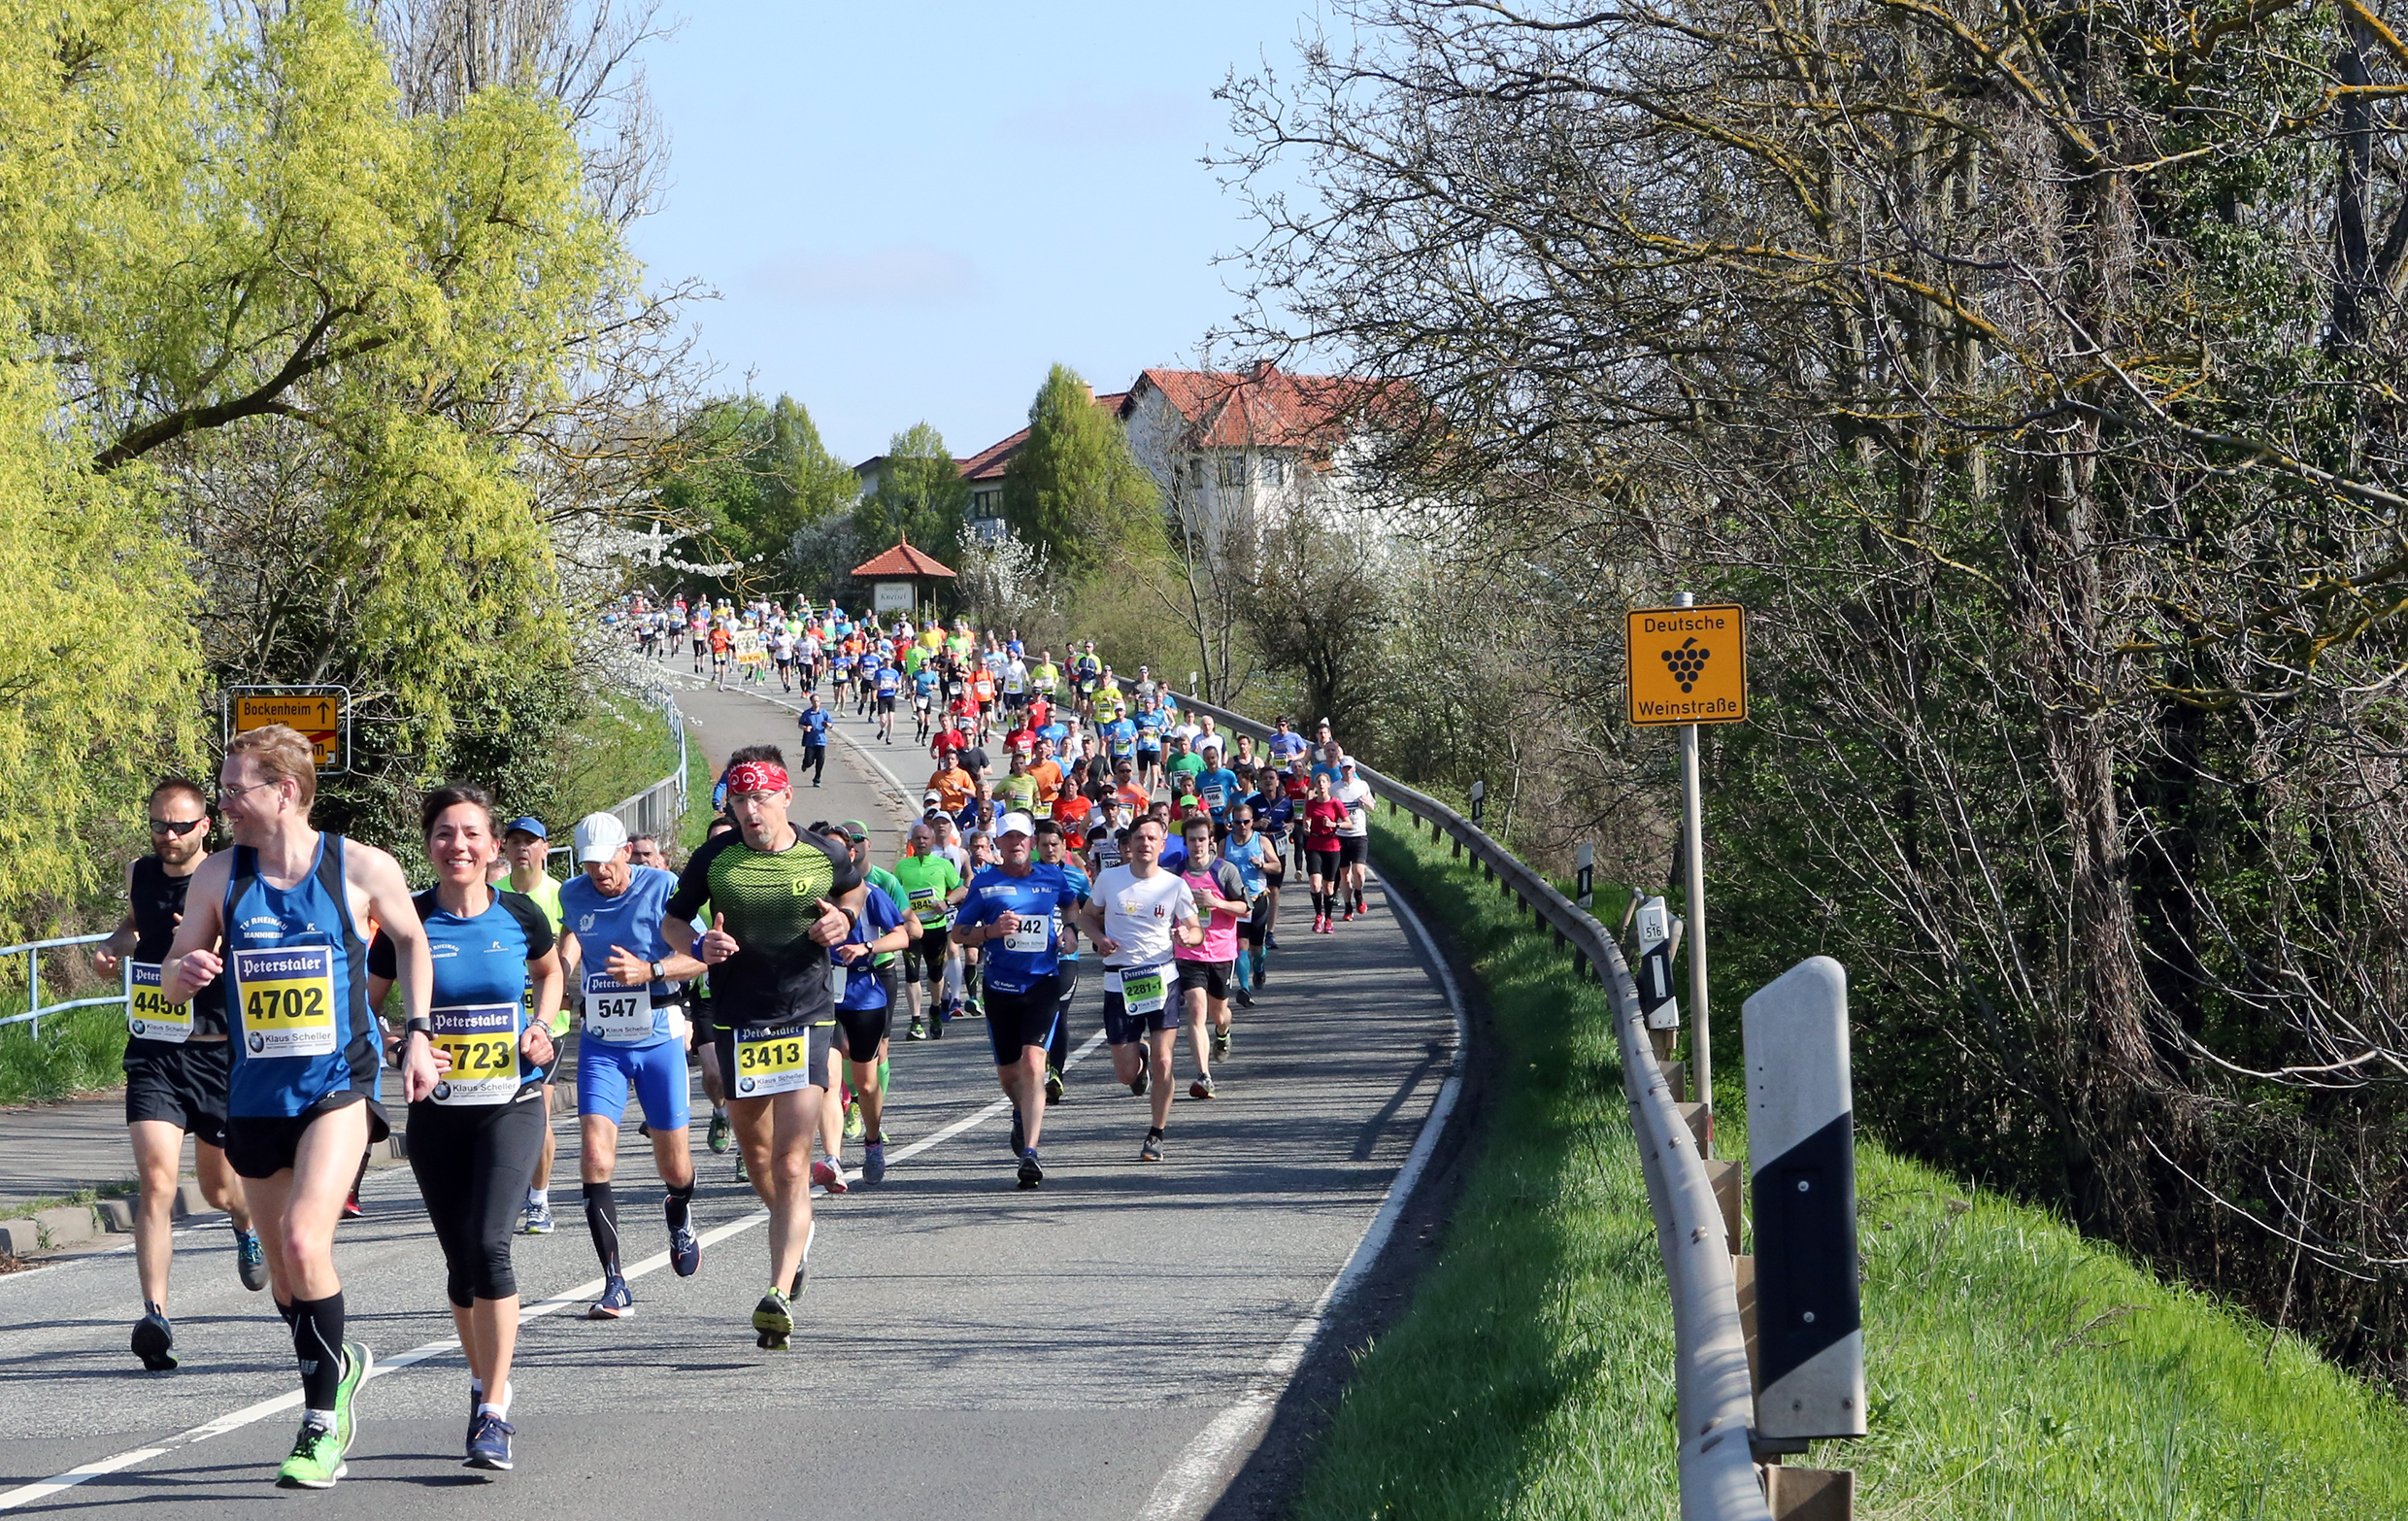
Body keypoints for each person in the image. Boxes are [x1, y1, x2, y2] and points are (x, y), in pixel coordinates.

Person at [159, 725, 429, 1489]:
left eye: (235, 790)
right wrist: (188, 971)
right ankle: (338, 1363)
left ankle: (320, 1423)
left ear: (285, 790)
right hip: (254, 1094)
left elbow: (410, 941)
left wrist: (417, 1033)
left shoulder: (360, 866)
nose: (225, 804)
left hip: (336, 1085)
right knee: (285, 1274)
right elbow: (177, 964)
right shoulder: (220, 876)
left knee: (309, 1242)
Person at [366, 784, 562, 1472]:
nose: (460, 846)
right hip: (437, 1114)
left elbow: (550, 973)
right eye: (445, 834)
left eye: (472, 834)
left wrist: (542, 1027)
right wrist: (399, 1046)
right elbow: (369, 1006)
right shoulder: (407, 923)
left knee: (490, 1246)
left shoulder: (520, 917)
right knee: (460, 1264)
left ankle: (495, 1410)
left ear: (494, 845)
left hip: (512, 1102)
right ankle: (482, 1382)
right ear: (429, 844)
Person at [660, 748, 865, 1349]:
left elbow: (851, 896)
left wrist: (842, 923)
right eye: (740, 801)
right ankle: (795, 1236)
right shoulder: (715, 859)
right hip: (738, 1020)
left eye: (761, 799)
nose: (751, 812)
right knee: (757, 1157)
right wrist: (701, 944)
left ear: (786, 798)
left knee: (792, 1161)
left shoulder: (823, 852)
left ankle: (777, 1291)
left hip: (805, 1015)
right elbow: (675, 922)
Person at [94, 777, 266, 1373]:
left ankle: (244, 1222)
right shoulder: (143, 872)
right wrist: (115, 946)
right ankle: (155, 1316)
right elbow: (138, 923)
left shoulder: (227, 878)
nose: (168, 837)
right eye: (159, 825)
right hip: (155, 1052)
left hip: (217, 1054)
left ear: (204, 827)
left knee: (219, 1190)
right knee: (158, 1183)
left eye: (180, 826)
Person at [557, 813, 703, 1321]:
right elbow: (569, 944)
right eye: (590, 864)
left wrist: (651, 970)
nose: (600, 873)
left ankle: (679, 1209)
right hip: (602, 1042)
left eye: (607, 862)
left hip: (658, 1033)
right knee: (596, 1157)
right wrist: (553, 980)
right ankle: (615, 1283)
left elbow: (705, 955)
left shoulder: (663, 886)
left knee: (674, 1166)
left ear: (626, 851)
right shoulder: (573, 895)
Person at [950, 813, 1084, 1188]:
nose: (1017, 844)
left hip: (1043, 982)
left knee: (1033, 1061)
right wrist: (991, 931)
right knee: (1010, 1073)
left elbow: (1071, 906)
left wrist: (1070, 932)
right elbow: (960, 933)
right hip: (1001, 989)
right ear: (999, 844)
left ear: (1032, 841)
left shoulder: (1052, 876)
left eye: (1022, 838)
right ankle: (1021, 1111)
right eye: (1008, 838)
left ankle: (1031, 1152)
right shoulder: (986, 884)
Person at [1071, 819, 1202, 1162]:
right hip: (1120, 981)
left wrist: (1188, 937)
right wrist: (1099, 940)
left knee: (1165, 1060)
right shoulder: (1110, 879)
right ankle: (1138, 1058)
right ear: (1130, 843)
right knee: (1125, 1073)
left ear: (1162, 845)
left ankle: (1156, 1134)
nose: (1146, 843)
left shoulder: (1175, 885)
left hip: (1162, 980)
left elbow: (1195, 929)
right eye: (1140, 837)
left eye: (1153, 838)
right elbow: (1086, 917)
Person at [821, 825, 911, 1186]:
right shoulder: (808, 897)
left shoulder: (869, 894)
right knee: (828, 1081)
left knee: (867, 1082)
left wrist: (867, 948)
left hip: (863, 994)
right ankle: (832, 1158)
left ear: (850, 855)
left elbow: (903, 934)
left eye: (837, 851)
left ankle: (873, 1141)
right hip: (821, 997)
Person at [500, 818, 568, 1234]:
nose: (522, 848)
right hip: (496, 1023)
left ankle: (539, 1200)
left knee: (537, 1113)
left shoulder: (559, 894)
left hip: (547, 1023)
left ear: (545, 848)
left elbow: (572, 941)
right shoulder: (491, 894)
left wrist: (565, 967)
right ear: (504, 849)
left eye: (531, 842)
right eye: (515, 842)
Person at [1173, 817, 1252, 1088]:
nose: (1197, 845)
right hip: (1188, 952)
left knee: (1218, 1013)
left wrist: (1216, 902)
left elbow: (1245, 908)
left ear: (1210, 841)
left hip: (1220, 952)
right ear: (1185, 842)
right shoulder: (1175, 873)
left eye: (1202, 839)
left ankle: (1223, 1031)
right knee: (1196, 1010)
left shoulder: (1224, 870)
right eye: (1192, 840)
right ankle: (1204, 1076)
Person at [891, 821, 964, 1040]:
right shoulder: (903, 866)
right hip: (912, 930)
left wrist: (947, 903)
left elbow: (961, 888)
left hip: (936, 927)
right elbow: (895, 894)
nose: (921, 841)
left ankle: (934, 1008)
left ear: (932, 841)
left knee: (935, 974)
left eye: (925, 838)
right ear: (912, 842)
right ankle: (915, 1022)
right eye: (917, 838)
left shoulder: (942, 865)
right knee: (912, 975)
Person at [1221, 806, 1280, 1000]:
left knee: (1257, 948)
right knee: (1241, 945)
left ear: (1252, 821)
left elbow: (1277, 866)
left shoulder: (1260, 841)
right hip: (1236, 902)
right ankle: (1244, 988)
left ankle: (1259, 966)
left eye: (1246, 821)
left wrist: (1262, 865)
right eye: (1238, 822)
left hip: (1258, 899)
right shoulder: (1225, 843)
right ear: (1232, 823)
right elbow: (1216, 870)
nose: (1242, 826)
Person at [1301, 773, 1349, 932]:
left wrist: (1334, 824)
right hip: (1314, 844)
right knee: (1315, 883)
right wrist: (1307, 826)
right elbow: (1306, 819)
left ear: (1329, 785)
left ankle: (1328, 919)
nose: (1321, 785)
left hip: (1331, 845)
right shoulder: (1310, 804)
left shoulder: (1336, 804)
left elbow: (1349, 824)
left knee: (1328, 887)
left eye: (1323, 782)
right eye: (1318, 782)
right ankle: (1318, 916)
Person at [1332, 757, 1377, 921]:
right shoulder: (1334, 789)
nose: (1348, 771)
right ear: (1341, 770)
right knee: (1344, 874)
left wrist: (1366, 803)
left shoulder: (1362, 785)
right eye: (1344, 768)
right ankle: (1348, 906)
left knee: (1358, 871)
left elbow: (1372, 806)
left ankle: (1358, 894)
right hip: (1341, 835)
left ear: (1355, 769)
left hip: (1359, 834)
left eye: (1350, 768)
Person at [796, 693, 830, 787]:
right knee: (809, 761)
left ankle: (817, 778)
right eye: (814, 701)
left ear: (820, 702)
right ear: (811, 702)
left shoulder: (824, 713)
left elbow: (831, 724)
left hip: (821, 740)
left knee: (821, 760)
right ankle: (805, 764)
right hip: (810, 741)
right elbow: (800, 724)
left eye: (818, 701)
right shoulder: (807, 713)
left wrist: (827, 725)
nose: (816, 703)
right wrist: (805, 728)